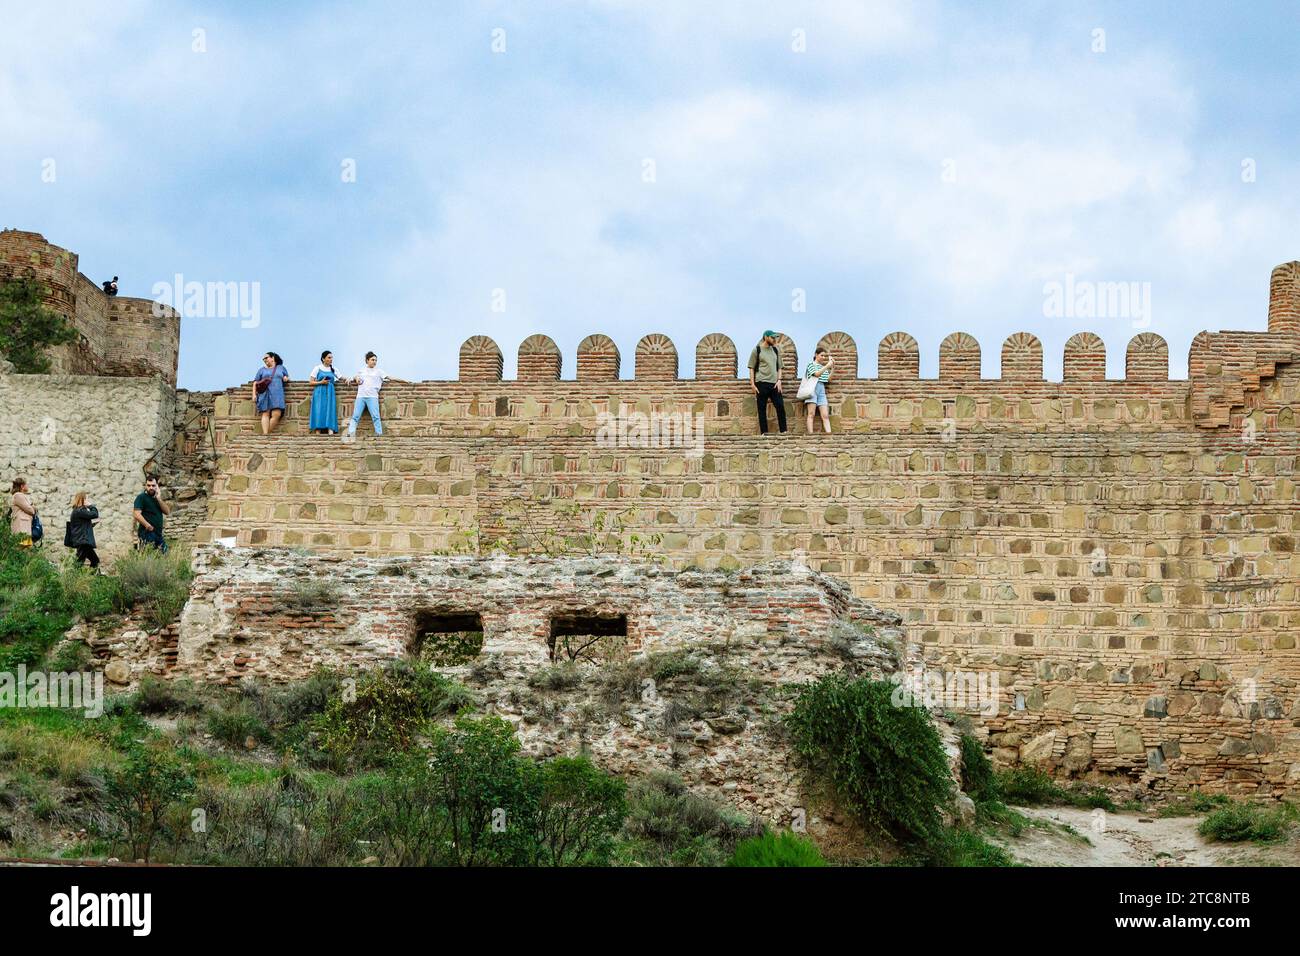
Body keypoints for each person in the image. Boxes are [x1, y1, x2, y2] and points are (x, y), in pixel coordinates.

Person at [747, 330, 786, 435]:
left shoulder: (776, 350)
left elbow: (780, 367)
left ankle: (784, 432)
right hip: (761, 383)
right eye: (772, 337)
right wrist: (752, 384)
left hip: (774, 384)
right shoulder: (757, 350)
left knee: (780, 406)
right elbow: (751, 367)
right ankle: (764, 433)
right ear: (766, 337)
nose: (775, 339)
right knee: (761, 409)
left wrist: (779, 381)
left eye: (775, 337)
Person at [344, 351, 388, 441]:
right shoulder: (362, 370)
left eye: (376, 360)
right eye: (372, 360)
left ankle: (379, 433)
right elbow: (355, 377)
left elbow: (390, 377)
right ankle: (350, 433)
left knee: (375, 416)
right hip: (361, 397)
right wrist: (354, 378)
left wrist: (404, 381)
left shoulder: (379, 371)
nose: (374, 361)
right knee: (356, 416)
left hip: (373, 397)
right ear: (367, 360)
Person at [253, 352, 289, 435]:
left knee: (276, 414)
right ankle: (265, 435)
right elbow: (255, 382)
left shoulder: (281, 368)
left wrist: (285, 378)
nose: (264, 360)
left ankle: (266, 434)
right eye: (263, 359)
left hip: (277, 393)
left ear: (273, 358)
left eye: (266, 358)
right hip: (265, 393)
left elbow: (286, 376)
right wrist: (254, 394)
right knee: (265, 413)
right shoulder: (262, 370)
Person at [133, 476, 170, 553]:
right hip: (147, 533)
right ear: (145, 486)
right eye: (149, 485)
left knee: (164, 555)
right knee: (148, 556)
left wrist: (159, 498)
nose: (151, 488)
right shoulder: (141, 497)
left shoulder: (157, 498)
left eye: (153, 485)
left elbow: (167, 512)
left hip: (158, 534)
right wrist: (147, 526)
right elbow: (136, 514)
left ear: (157, 486)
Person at [803, 348, 834, 435]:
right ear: (816, 355)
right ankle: (811, 435)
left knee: (825, 415)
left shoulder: (822, 367)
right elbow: (816, 374)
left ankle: (829, 434)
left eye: (825, 356)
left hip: (821, 389)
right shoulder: (810, 364)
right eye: (822, 355)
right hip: (812, 388)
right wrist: (827, 366)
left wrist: (832, 368)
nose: (823, 357)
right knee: (811, 414)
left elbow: (828, 379)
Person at [308, 350, 339, 435]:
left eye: (332, 357)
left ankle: (330, 429)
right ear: (323, 359)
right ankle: (318, 430)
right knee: (319, 409)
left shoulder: (333, 369)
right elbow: (311, 382)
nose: (331, 359)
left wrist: (348, 379)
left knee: (330, 408)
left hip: (330, 392)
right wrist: (321, 382)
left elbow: (341, 377)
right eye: (329, 357)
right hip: (319, 391)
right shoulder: (317, 368)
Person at [67, 492, 101, 570]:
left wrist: (92, 524)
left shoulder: (77, 511)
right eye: (86, 499)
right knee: (79, 563)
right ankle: (73, 579)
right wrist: (91, 506)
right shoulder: (79, 510)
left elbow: (81, 526)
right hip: (83, 541)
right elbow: (94, 514)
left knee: (94, 560)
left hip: (83, 541)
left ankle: (90, 578)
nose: (87, 501)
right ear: (81, 499)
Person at [9, 477, 36, 548]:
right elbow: (30, 510)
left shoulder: (21, 496)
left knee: (24, 549)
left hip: (24, 526)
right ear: (22, 486)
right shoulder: (18, 496)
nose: (27, 486)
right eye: (26, 484)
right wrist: (33, 508)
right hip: (21, 527)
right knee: (21, 549)